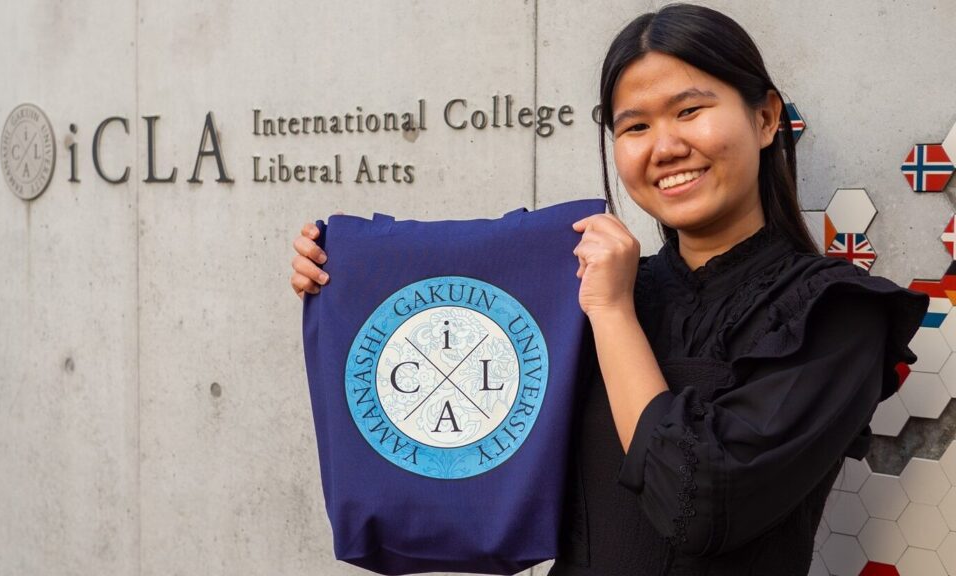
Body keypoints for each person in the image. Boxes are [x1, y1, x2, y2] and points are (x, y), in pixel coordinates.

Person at [289, 4, 928, 574]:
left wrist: (613, 313)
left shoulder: (838, 313)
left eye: (690, 111)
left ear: (764, 119)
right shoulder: (590, 291)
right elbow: (475, 443)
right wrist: (346, 287)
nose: (666, 146)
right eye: (635, 127)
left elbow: (694, 505)